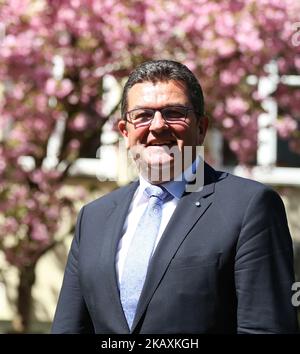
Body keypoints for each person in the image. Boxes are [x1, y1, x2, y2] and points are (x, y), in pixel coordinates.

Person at [52, 60, 299, 334]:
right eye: (143, 115)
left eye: (173, 113)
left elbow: (265, 329)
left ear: (202, 128)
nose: (157, 126)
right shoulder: (94, 217)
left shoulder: (248, 207)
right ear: (125, 131)